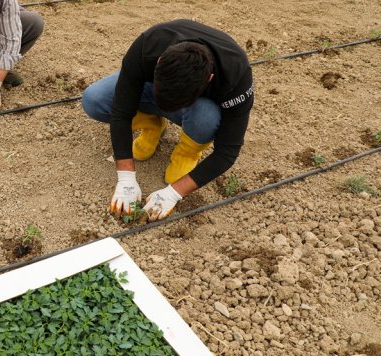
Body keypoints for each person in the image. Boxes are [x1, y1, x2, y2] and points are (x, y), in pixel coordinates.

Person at [82, 19, 254, 222]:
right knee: (95, 99)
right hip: (155, 85)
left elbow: (227, 152)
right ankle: (152, 125)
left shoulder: (236, 77)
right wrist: (126, 178)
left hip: (198, 108)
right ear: (159, 62)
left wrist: (174, 192)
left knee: (206, 117)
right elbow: (121, 111)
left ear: (209, 80)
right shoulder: (149, 45)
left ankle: (187, 153)